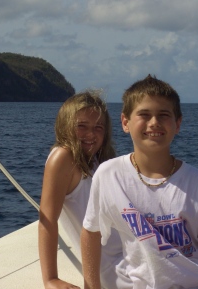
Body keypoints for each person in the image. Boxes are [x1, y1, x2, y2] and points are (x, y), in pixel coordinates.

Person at [81, 75, 198, 289]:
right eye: (144, 114)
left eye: (163, 115)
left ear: (177, 124)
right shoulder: (109, 175)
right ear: (125, 122)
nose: (154, 122)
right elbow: (91, 232)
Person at [38, 91, 130, 289]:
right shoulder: (62, 158)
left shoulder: (98, 160)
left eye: (98, 127)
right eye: (82, 126)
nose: (91, 134)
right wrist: (50, 279)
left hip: (130, 253)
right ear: (66, 126)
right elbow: (47, 220)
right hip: (114, 268)